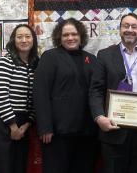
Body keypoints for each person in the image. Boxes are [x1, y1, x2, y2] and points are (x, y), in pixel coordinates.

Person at [89, 13, 137, 173]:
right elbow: (96, 90)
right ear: (120, 29)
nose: (130, 30)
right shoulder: (104, 55)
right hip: (113, 130)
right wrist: (99, 117)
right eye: (126, 26)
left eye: (134, 26)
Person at [33, 18, 99, 173]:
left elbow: (97, 91)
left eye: (74, 34)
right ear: (59, 38)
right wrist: (45, 127)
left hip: (87, 132)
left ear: (81, 36)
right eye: (66, 35)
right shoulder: (50, 57)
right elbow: (40, 92)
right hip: (57, 132)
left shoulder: (92, 59)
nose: (70, 38)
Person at [0, 24, 39, 173]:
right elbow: (0, 96)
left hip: (24, 123)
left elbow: (37, 97)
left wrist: (28, 123)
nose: (24, 40)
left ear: (33, 40)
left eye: (28, 36)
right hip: (5, 122)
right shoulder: (5, 62)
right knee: (2, 168)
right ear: (13, 40)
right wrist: (13, 126)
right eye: (19, 37)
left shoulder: (36, 64)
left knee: (19, 167)